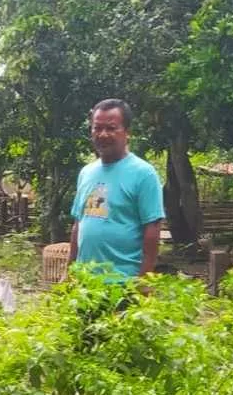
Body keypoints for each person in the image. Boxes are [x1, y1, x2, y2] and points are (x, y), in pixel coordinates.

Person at [68, 98, 165, 280]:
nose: (103, 134)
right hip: (85, 283)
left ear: (127, 132)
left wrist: (144, 280)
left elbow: (152, 229)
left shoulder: (144, 174)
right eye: (97, 128)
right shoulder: (86, 172)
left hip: (123, 283)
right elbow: (78, 225)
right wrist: (70, 272)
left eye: (111, 128)